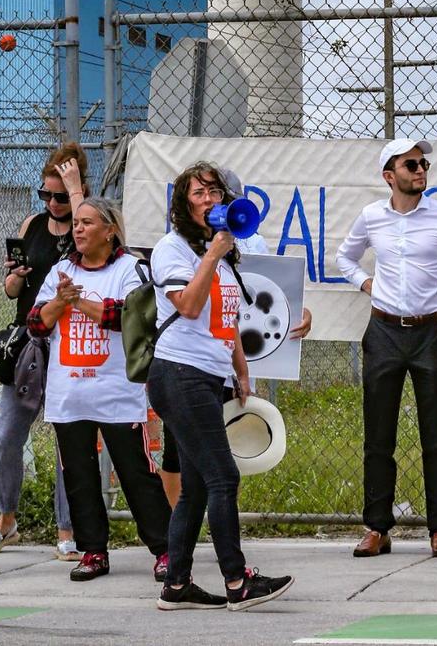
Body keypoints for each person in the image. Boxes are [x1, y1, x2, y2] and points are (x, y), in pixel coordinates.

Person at [147, 162, 293, 612]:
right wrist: (211, 254)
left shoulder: (227, 254)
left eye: (216, 191)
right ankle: (237, 580)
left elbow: (224, 321)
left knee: (194, 487)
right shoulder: (171, 250)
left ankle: (176, 585)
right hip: (178, 373)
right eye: (199, 193)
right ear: (182, 203)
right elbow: (189, 307)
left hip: (209, 377)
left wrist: (241, 370)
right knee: (222, 476)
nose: (210, 199)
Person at [28, 196, 170, 583]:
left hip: (116, 393)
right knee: (79, 476)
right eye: (76, 223)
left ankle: (165, 549)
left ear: (110, 230)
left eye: (88, 223)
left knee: (137, 473)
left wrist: (80, 301)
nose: (78, 229)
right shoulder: (61, 270)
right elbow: (37, 324)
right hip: (69, 395)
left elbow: (128, 317)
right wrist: (61, 300)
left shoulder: (130, 268)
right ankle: (93, 551)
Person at [336, 138, 437, 557]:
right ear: (389, 176)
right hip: (385, 331)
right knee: (378, 435)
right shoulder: (372, 216)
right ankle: (377, 527)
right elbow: (345, 258)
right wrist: (365, 283)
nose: (420, 169)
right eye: (411, 164)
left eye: (423, 163)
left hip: (432, 332)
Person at [0, 142, 87, 559]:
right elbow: (9, 292)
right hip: (30, 345)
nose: (53, 204)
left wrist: (78, 197)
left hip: (70, 344)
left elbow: (93, 250)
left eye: (61, 195)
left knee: (67, 440)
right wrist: (17, 276)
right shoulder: (33, 224)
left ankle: (67, 528)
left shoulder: (89, 223)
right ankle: (7, 519)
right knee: (7, 437)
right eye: (46, 195)